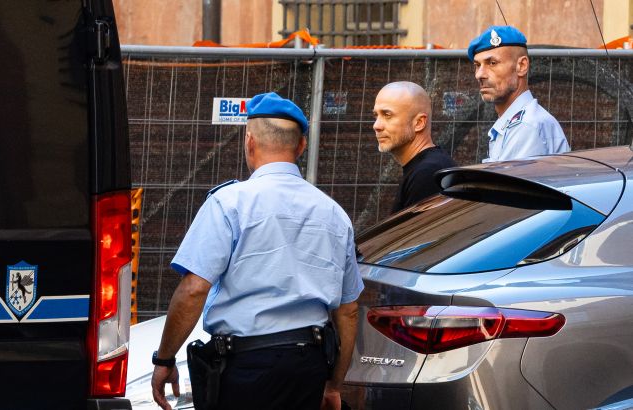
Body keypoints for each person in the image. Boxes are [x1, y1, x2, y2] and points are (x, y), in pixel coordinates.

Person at [150, 92, 364, 410]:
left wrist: (165, 359)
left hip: (246, 367)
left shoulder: (228, 203)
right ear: (301, 146)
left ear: (249, 141)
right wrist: (333, 385)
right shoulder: (334, 213)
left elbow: (194, 288)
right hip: (308, 365)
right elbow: (348, 310)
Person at [468, 25, 570, 163]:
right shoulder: (518, 122)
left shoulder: (526, 126)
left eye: (492, 63)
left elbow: (505, 178)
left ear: (522, 66)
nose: (479, 75)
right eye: (477, 65)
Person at [373, 81, 457, 213]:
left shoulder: (427, 173)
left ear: (419, 123)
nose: (376, 125)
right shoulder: (426, 168)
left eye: (387, 115)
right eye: (376, 115)